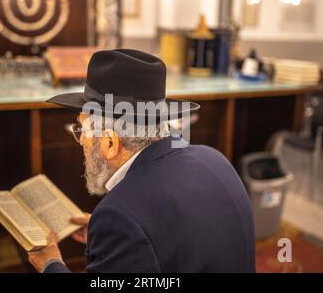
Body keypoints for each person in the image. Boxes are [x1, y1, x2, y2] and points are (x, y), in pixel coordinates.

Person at [28, 49, 255, 273]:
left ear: (109, 143)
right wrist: (112, 240)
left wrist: (51, 265)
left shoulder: (119, 215)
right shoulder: (215, 159)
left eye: (82, 130)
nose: (81, 142)